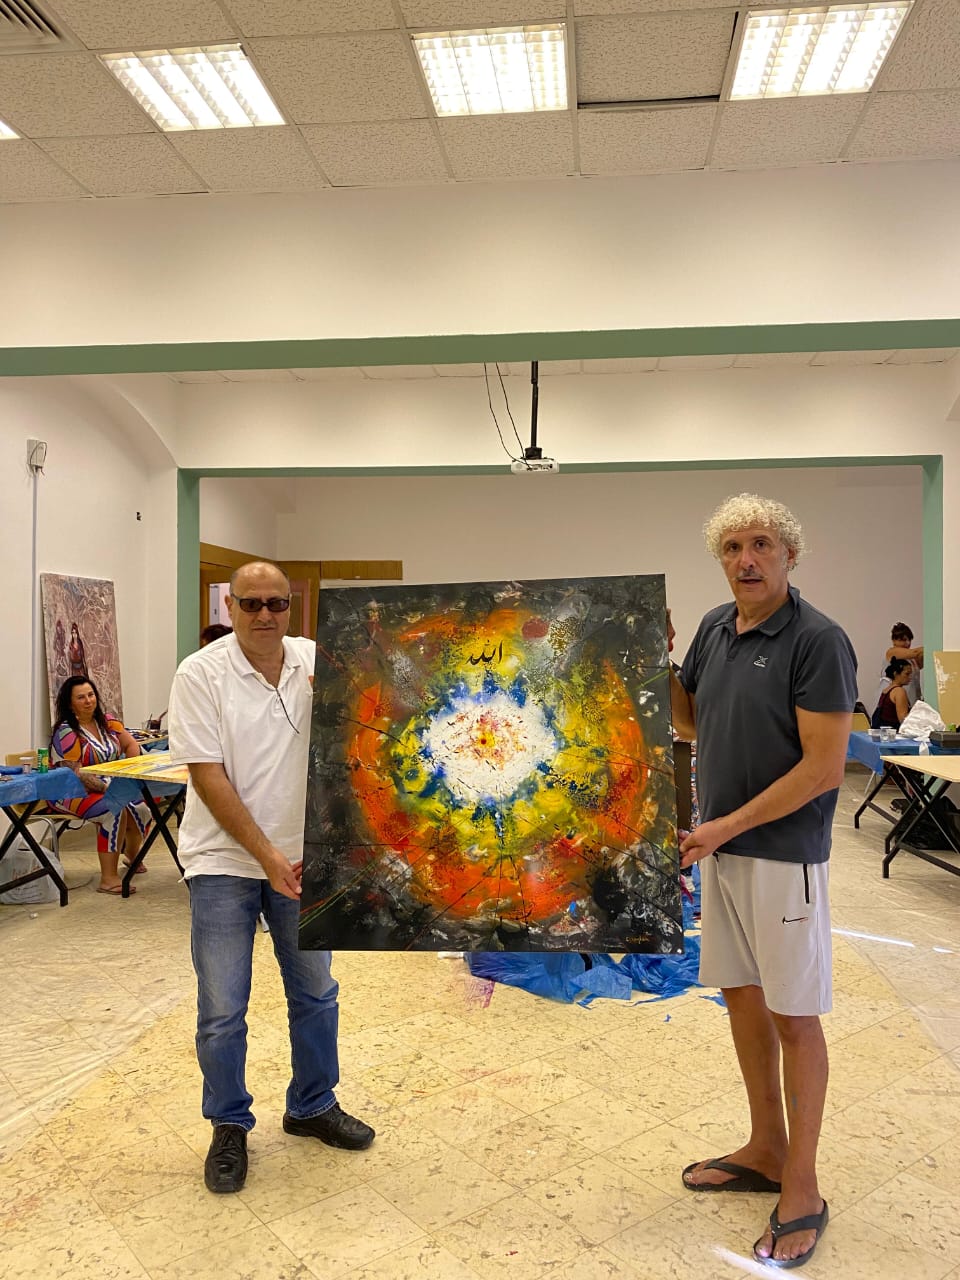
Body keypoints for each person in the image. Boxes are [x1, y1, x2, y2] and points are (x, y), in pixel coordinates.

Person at [669, 493, 856, 1269]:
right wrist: (656, 660)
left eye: (761, 545)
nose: (746, 560)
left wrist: (723, 827)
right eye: (732, 547)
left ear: (789, 555)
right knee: (742, 999)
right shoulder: (716, 627)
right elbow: (690, 722)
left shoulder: (818, 640)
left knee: (794, 1017)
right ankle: (767, 1148)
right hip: (723, 853)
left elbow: (823, 768)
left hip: (781, 857)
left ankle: (802, 1186)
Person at [168, 560, 374, 1195]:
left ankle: (312, 1104)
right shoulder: (199, 674)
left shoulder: (315, 661)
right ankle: (229, 1124)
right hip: (223, 862)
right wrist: (267, 857)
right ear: (230, 607)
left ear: (293, 606)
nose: (264, 615)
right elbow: (208, 777)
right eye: (251, 603)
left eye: (276, 604)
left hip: (304, 860)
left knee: (316, 992)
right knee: (222, 1008)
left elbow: (371, 726)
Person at [49, 676, 149, 894]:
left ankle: (132, 855)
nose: (88, 701)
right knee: (114, 809)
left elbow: (131, 744)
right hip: (71, 790)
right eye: (81, 697)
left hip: (108, 784)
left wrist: (130, 773)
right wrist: (110, 790)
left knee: (142, 808)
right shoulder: (66, 731)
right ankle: (108, 878)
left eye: (91, 695)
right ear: (70, 704)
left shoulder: (107, 721)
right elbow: (75, 773)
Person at [880, 622, 923, 706]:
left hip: (912, 700)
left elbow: (921, 657)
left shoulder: (912, 660)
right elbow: (915, 652)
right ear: (894, 640)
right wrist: (930, 647)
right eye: (903, 640)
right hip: (894, 699)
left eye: (909, 640)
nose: (907, 643)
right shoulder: (892, 652)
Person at [871, 657, 912, 730]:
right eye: (907, 674)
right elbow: (903, 719)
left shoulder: (886, 690)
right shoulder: (899, 691)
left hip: (882, 730)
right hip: (893, 732)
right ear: (896, 674)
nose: (910, 677)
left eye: (910, 674)